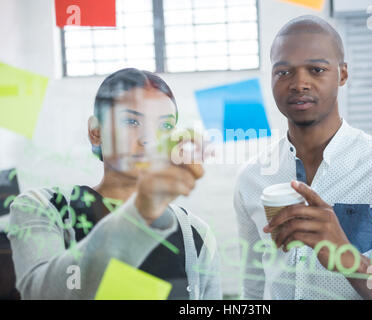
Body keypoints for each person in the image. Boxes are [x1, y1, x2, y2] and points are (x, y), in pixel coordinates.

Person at [234, 15, 372, 300]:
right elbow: (253, 286)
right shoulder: (252, 178)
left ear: (342, 74)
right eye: (284, 72)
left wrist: (350, 260)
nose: (299, 83)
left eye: (316, 69)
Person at [8, 68, 222, 300]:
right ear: (95, 132)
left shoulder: (194, 233)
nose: (149, 138)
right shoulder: (43, 209)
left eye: (166, 126)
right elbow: (41, 294)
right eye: (131, 121)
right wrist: (140, 213)